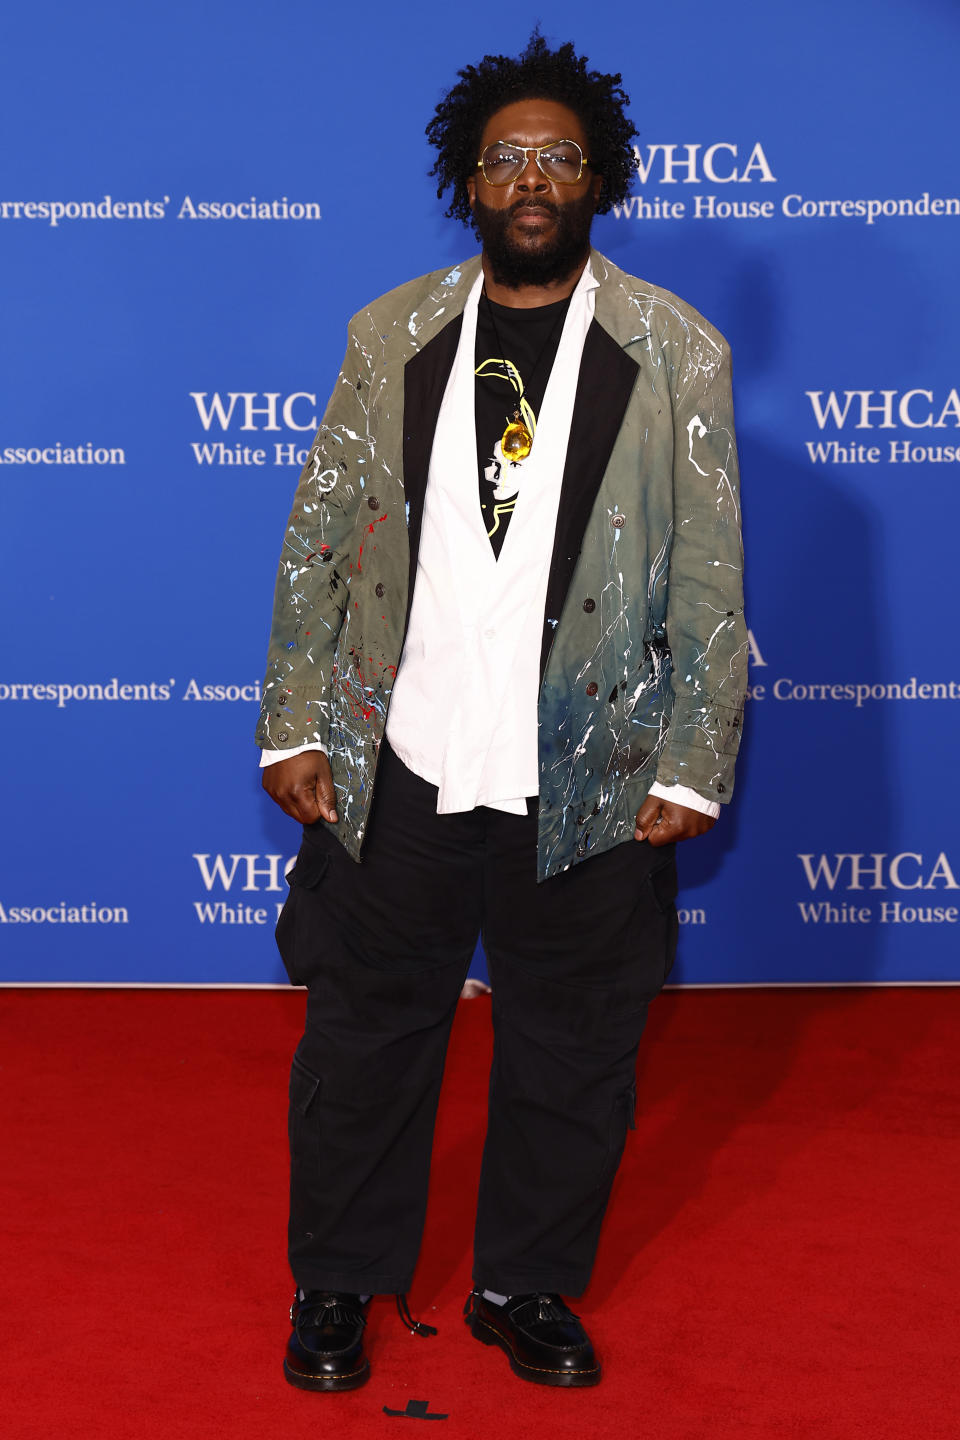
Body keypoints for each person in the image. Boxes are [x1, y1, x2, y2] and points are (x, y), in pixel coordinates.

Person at [257, 32, 746, 1393]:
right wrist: (294, 719)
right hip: (401, 749)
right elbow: (322, 536)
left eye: (560, 157)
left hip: (589, 758)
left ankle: (524, 1282)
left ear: (600, 179)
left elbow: (708, 564)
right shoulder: (389, 334)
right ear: (468, 183)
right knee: (365, 1037)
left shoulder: (674, 350)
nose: (533, 178)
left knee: (574, 1044)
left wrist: (695, 758)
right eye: (506, 159)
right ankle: (340, 1284)